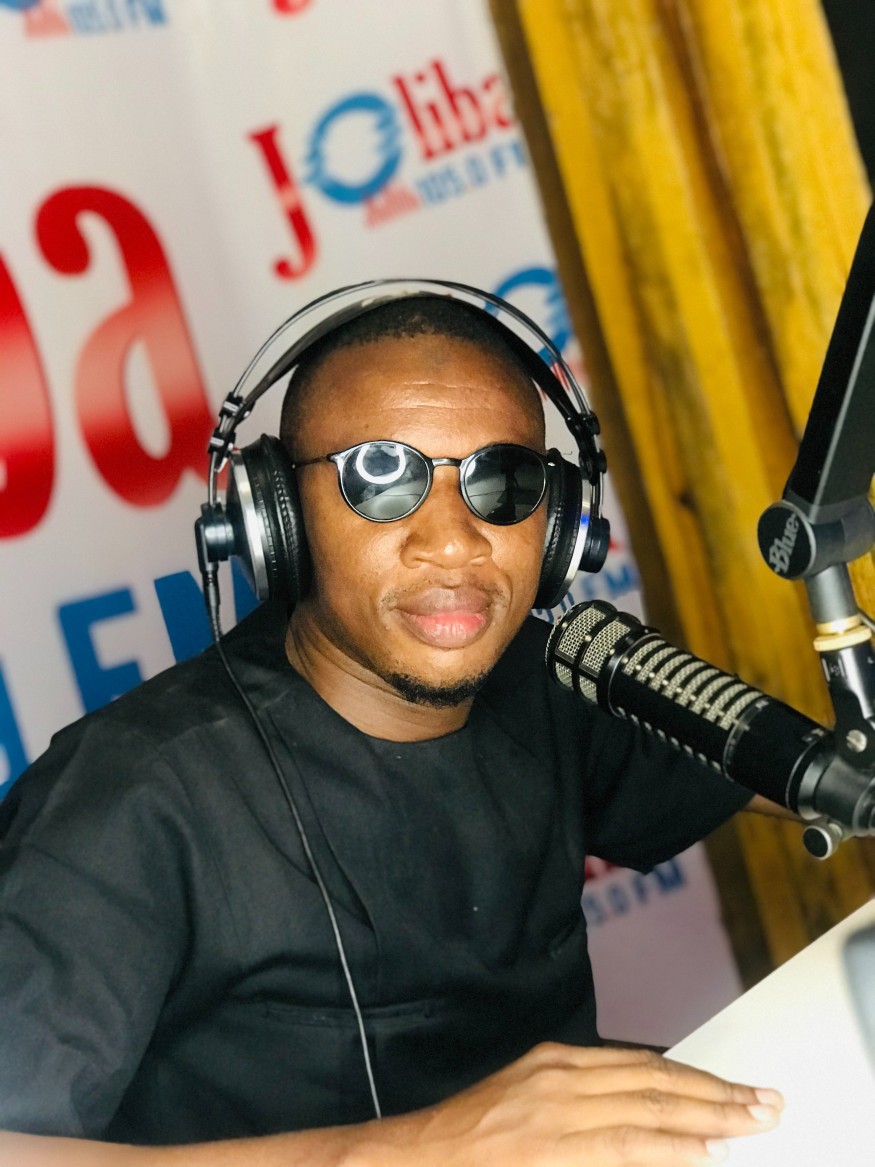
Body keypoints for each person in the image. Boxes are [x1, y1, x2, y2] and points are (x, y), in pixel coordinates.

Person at [0, 291, 788, 1165]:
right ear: (277, 518)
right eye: (379, 478)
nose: (452, 543)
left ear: (560, 524)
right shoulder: (128, 794)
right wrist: (426, 1146)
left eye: (502, 480)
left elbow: (809, 778)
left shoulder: (548, 678)